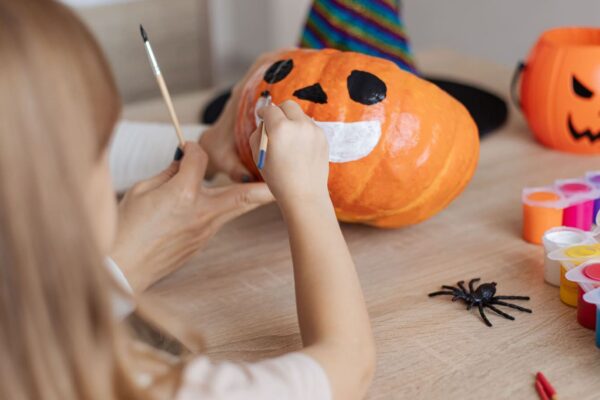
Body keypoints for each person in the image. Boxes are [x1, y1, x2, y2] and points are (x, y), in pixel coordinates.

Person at [0, 1, 375, 400]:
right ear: (59, 191)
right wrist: (307, 197)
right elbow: (349, 364)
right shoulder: (140, 385)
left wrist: (118, 267)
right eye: (98, 152)